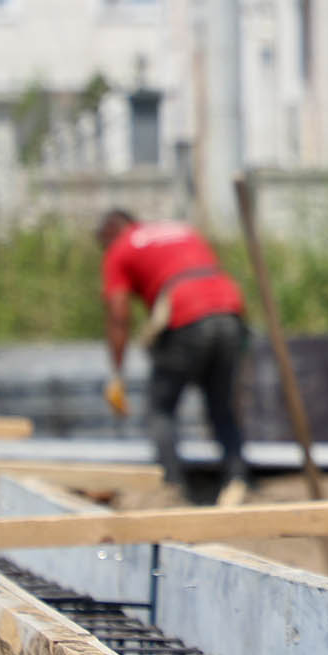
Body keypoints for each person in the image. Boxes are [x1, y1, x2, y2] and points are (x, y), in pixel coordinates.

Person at [96, 209, 250, 505]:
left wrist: (117, 373)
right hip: (230, 312)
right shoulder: (181, 230)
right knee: (222, 407)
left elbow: (118, 314)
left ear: (110, 232)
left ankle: (172, 490)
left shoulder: (120, 247)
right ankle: (238, 481)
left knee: (160, 410)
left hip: (185, 315)